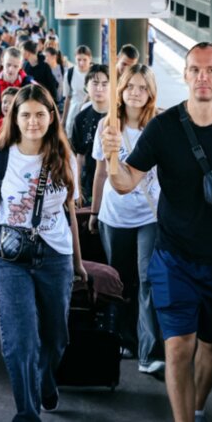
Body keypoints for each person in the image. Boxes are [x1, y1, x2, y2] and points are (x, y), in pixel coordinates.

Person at [100, 42, 212, 422]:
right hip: (173, 258)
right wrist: (112, 155)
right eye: (195, 70)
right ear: (184, 76)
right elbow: (124, 183)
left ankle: (196, 409)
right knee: (179, 347)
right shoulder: (163, 129)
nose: (203, 77)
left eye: (211, 70)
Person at [0, 85, 88, 422]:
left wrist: (77, 261)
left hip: (55, 256)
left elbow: (69, 214)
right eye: (26, 115)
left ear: (51, 117)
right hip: (10, 259)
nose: (33, 121)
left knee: (55, 336)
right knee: (21, 340)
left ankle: (46, 380)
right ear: (14, 119)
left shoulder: (63, 158)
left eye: (40, 114)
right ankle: (27, 411)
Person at [91, 64, 163, 374]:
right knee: (119, 281)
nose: (135, 92)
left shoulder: (158, 127)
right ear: (121, 90)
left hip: (150, 214)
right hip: (115, 214)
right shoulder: (108, 125)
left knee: (148, 279)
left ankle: (149, 353)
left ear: (150, 93)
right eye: (130, 86)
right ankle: (122, 340)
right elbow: (99, 171)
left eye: (142, 88)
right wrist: (93, 211)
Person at [71, 65, 110, 206]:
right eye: (95, 83)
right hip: (89, 183)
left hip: (115, 185)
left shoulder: (120, 116)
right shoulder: (80, 119)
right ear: (86, 86)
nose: (99, 88)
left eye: (105, 84)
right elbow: (79, 156)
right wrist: (78, 189)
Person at [0, 47, 33, 130]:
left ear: (21, 66)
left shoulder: (28, 85)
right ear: (2, 62)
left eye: (15, 66)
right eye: (8, 65)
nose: (11, 69)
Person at [63, 45, 94, 139]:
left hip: (91, 110)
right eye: (79, 59)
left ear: (90, 59)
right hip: (74, 110)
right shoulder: (70, 73)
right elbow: (67, 98)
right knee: (72, 138)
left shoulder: (95, 72)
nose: (81, 63)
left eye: (85, 59)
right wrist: (63, 120)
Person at [42, 47, 67, 112]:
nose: (44, 59)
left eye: (46, 56)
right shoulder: (44, 71)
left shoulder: (63, 69)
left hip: (61, 104)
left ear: (54, 57)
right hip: (49, 103)